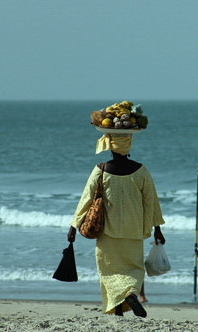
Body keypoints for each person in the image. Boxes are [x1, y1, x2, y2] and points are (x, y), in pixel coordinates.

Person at [68, 110, 165, 317]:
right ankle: (129, 294)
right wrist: (157, 228)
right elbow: (151, 202)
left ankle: (119, 305)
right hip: (133, 230)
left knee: (109, 271)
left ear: (109, 145)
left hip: (107, 232)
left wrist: (74, 225)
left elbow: (86, 199)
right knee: (134, 269)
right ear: (128, 144)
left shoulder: (100, 169)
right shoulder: (141, 170)